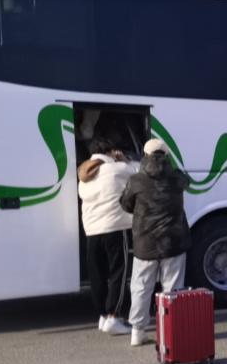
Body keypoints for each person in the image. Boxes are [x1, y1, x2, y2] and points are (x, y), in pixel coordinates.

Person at [121, 138, 192, 347]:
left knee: (141, 287)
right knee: (173, 288)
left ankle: (137, 332)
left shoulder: (136, 180)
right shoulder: (177, 177)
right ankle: (171, 330)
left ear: (145, 155)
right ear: (167, 156)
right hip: (174, 241)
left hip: (145, 242)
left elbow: (125, 204)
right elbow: (187, 182)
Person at [79, 140, 138, 336]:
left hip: (92, 231)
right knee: (118, 273)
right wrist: (125, 159)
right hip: (115, 228)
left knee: (98, 275)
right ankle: (113, 316)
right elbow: (140, 172)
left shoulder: (84, 176)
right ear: (110, 152)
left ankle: (103, 316)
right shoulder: (117, 169)